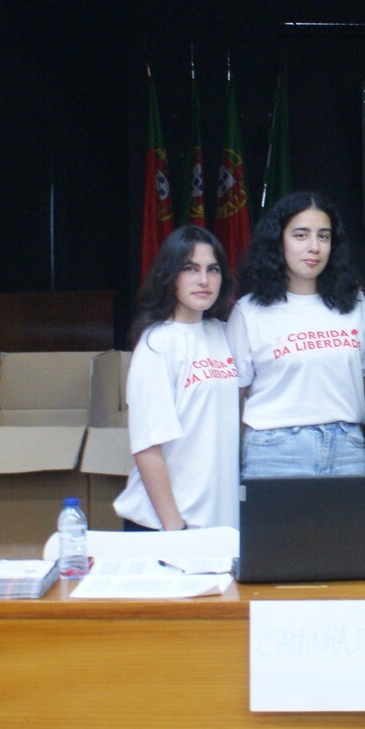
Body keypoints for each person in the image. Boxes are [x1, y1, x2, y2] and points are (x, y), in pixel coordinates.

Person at [229, 190, 365, 477]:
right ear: (278, 240)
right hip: (274, 451)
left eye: (323, 236)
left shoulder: (353, 303)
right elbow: (233, 398)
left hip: (347, 449)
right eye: (300, 235)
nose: (314, 247)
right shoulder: (249, 311)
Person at [114, 226, 241, 531]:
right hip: (169, 525)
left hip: (218, 521)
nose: (203, 279)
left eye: (212, 269)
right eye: (190, 268)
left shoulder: (224, 334)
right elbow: (148, 447)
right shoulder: (157, 344)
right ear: (170, 276)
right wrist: (176, 530)